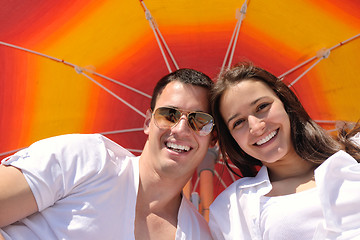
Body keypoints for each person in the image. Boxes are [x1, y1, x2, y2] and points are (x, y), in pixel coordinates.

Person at [0, 68, 217, 240]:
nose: (180, 129)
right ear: (147, 122)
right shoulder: (86, 159)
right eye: (169, 114)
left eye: (199, 121)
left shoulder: (199, 234)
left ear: (212, 139)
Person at [208, 62, 360, 240]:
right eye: (238, 122)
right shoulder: (232, 208)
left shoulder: (354, 151)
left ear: (284, 102)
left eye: (262, 107)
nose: (256, 127)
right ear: (232, 139)